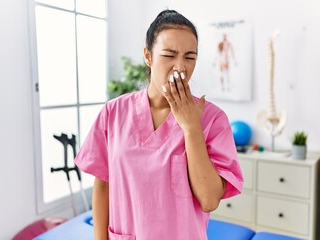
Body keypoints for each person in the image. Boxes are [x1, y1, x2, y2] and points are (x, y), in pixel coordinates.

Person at [74, 9, 243, 240]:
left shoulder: (212, 119)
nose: (180, 67)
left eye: (190, 57)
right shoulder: (113, 112)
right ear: (148, 56)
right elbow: (103, 185)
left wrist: (191, 127)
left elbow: (209, 199)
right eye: (169, 55)